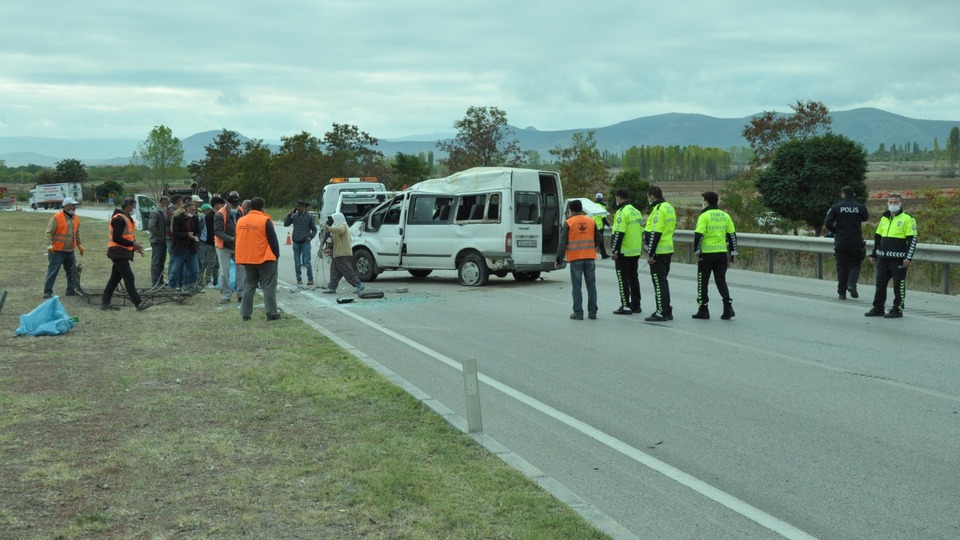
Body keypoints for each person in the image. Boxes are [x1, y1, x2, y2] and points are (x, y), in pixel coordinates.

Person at [865, 193, 917, 318]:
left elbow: (912, 239)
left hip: (898, 259)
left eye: (895, 202)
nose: (893, 204)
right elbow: (878, 237)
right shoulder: (884, 218)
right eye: (891, 202)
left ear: (900, 204)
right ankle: (878, 308)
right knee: (880, 284)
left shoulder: (907, 219)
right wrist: (874, 253)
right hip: (883, 258)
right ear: (887, 203)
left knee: (899, 285)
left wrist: (908, 257)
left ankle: (897, 309)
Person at [100, 197, 153, 312]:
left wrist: (135, 247)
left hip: (121, 252)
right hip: (118, 252)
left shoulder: (126, 218)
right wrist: (133, 244)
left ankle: (105, 303)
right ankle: (138, 303)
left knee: (114, 279)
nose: (134, 209)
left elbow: (127, 236)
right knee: (129, 276)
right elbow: (117, 238)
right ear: (127, 206)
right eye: (133, 207)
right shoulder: (119, 219)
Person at [692, 192, 738, 320]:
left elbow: (698, 235)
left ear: (706, 201)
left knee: (702, 281)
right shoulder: (725, 215)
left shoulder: (704, 216)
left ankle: (703, 309)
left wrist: (697, 252)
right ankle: (728, 307)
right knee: (721, 280)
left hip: (706, 255)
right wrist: (733, 253)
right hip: (721, 254)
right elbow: (732, 236)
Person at [235, 197, 281, 321]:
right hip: (264, 258)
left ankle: (245, 314)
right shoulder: (265, 220)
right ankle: (271, 313)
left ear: (250, 207)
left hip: (247, 258)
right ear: (262, 207)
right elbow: (273, 240)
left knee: (249, 286)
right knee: (268, 286)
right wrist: (276, 255)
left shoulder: (241, 221)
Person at [556, 199, 599, 320]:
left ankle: (578, 313)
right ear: (581, 209)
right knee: (591, 286)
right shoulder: (591, 221)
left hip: (576, 258)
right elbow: (598, 238)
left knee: (577, 286)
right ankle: (592, 312)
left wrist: (559, 258)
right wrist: (590, 248)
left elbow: (563, 242)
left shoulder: (568, 223)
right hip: (590, 257)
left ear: (571, 210)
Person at [824, 185, 869, 299]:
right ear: (853, 194)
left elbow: (828, 223)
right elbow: (865, 218)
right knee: (855, 264)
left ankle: (841, 293)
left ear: (842, 194)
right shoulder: (860, 206)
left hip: (841, 241)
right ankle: (851, 284)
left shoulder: (836, 207)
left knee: (842, 266)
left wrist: (836, 232)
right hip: (856, 241)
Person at [643, 186, 676, 322]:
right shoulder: (669, 207)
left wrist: (650, 254)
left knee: (658, 282)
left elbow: (656, 233)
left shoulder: (658, 210)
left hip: (659, 251)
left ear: (652, 196)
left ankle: (661, 311)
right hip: (668, 248)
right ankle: (667, 310)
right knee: (663, 281)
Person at [609, 189, 643, 314]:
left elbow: (618, 232)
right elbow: (642, 226)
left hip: (624, 252)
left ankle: (625, 305)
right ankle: (636, 305)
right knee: (634, 278)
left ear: (618, 197)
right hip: (635, 251)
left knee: (623, 279)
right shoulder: (636, 211)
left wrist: (614, 250)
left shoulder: (621, 212)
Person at [42, 197, 84, 299]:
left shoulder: (75, 217)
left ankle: (71, 290)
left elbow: (76, 232)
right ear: (66, 206)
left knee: (72, 272)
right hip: (57, 250)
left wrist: (79, 244)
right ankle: (47, 292)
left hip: (70, 250)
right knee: (53, 271)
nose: (74, 207)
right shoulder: (56, 217)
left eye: (75, 205)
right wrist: (49, 245)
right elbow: (48, 233)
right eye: (72, 205)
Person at [320, 212, 365, 295]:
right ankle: (332, 287)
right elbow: (335, 241)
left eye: (334, 219)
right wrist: (328, 249)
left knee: (347, 271)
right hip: (337, 254)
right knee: (334, 271)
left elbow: (340, 231)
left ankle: (358, 285)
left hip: (343, 254)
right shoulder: (336, 227)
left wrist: (328, 228)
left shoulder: (342, 226)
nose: (332, 220)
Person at [214, 191, 245, 303]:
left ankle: (241, 295)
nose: (235, 206)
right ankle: (226, 296)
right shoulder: (220, 214)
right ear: (227, 202)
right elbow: (217, 231)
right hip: (223, 246)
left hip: (238, 246)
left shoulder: (241, 211)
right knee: (224, 271)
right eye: (233, 204)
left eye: (237, 204)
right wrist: (231, 239)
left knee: (241, 269)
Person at [283, 200, 318, 286]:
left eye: (299, 207)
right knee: (297, 262)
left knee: (306, 261)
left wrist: (311, 237)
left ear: (304, 207)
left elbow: (314, 229)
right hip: (296, 241)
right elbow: (286, 224)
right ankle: (299, 278)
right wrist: (288, 215)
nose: (297, 208)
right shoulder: (294, 216)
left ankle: (310, 279)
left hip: (305, 242)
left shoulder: (309, 217)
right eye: (297, 207)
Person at [169, 200, 201, 289]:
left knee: (195, 271)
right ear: (186, 210)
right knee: (174, 270)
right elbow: (175, 233)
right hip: (180, 248)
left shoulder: (195, 218)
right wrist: (187, 234)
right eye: (192, 210)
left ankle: (190, 287)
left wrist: (196, 237)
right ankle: (172, 288)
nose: (194, 211)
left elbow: (198, 230)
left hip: (191, 249)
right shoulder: (177, 218)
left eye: (194, 209)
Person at [147, 195, 169, 286]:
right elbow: (151, 226)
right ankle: (155, 282)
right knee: (156, 262)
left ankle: (160, 281)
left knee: (161, 262)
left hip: (162, 241)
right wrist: (160, 236)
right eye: (167, 202)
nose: (168, 204)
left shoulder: (162, 211)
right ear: (163, 201)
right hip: (157, 241)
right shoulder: (155, 212)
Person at [197, 200, 219, 286]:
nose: (208, 212)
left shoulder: (212, 216)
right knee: (208, 262)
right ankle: (206, 279)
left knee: (214, 262)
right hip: (206, 242)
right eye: (207, 210)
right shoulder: (204, 218)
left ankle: (214, 280)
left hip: (212, 242)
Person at [593, 192, 610, 259]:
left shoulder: (592, 205)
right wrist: (608, 225)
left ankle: (590, 253)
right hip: (599, 227)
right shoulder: (602, 206)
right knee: (600, 241)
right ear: (602, 199)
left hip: (592, 225)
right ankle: (603, 254)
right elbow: (603, 218)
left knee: (594, 241)